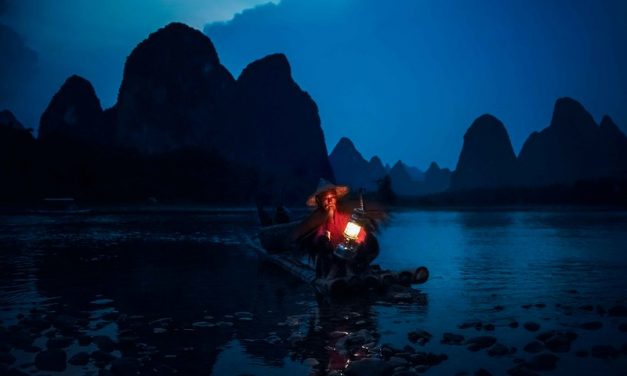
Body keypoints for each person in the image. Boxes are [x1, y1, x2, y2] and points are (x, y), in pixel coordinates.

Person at [293, 179, 379, 279]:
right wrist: (323, 240)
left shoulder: (345, 216)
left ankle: (356, 273)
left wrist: (360, 238)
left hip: (350, 256)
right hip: (329, 261)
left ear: (336, 199)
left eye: (332, 197)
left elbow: (360, 235)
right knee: (324, 246)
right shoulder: (316, 221)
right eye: (326, 198)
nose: (330, 201)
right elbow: (313, 241)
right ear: (319, 201)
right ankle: (330, 278)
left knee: (368, 240)